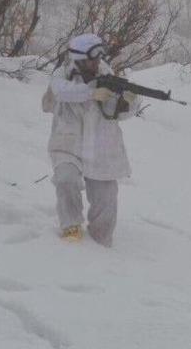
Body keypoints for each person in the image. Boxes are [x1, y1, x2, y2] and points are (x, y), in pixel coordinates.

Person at [43, 34, 140, 246]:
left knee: (107, 197)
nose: (96, 63)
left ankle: (101, 241)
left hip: (99, 145)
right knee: (66, 179)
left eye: (97, 58)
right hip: (68, 143)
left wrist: (128, 102)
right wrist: (91, 92)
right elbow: (60, 92)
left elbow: (116, 114)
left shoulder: (106, 74)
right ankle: (71, 226)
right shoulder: (62, 73)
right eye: (91, 59)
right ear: (79, 59)